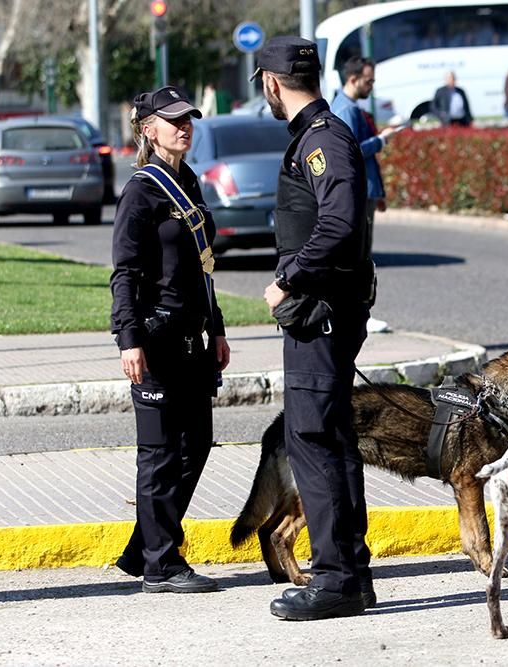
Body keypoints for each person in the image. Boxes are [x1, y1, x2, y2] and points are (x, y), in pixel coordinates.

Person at [255, 35, 376, 621]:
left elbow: (339, 224)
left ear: (271, 83)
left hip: (320, 313)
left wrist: (290, 279)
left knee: (313, 441)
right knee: (333, 439)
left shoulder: (322, 140)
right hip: (329, 310)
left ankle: (335, 580)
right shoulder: (319, 135)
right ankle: (352, 573)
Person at [110, 85, 231, 593]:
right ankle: (161, 564)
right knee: (159, 454)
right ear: (147, 129)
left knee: (196, 443)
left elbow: (202, 269)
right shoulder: (141, 190)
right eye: (173, 120)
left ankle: (146, 547)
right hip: (155, 339)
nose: (185, 127)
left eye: (189, 119)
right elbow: (124, 271)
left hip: (192, 339)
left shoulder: (190, 183)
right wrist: (128, 339)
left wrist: (218, 326)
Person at [330, 55, 401, 254]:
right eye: (369, 81)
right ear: (353, 79)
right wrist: (381, 140)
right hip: (359, 192)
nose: (371, 86)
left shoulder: (346, 106)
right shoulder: (347, 109)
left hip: (363, 191)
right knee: (360, 253)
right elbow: (352, 152)